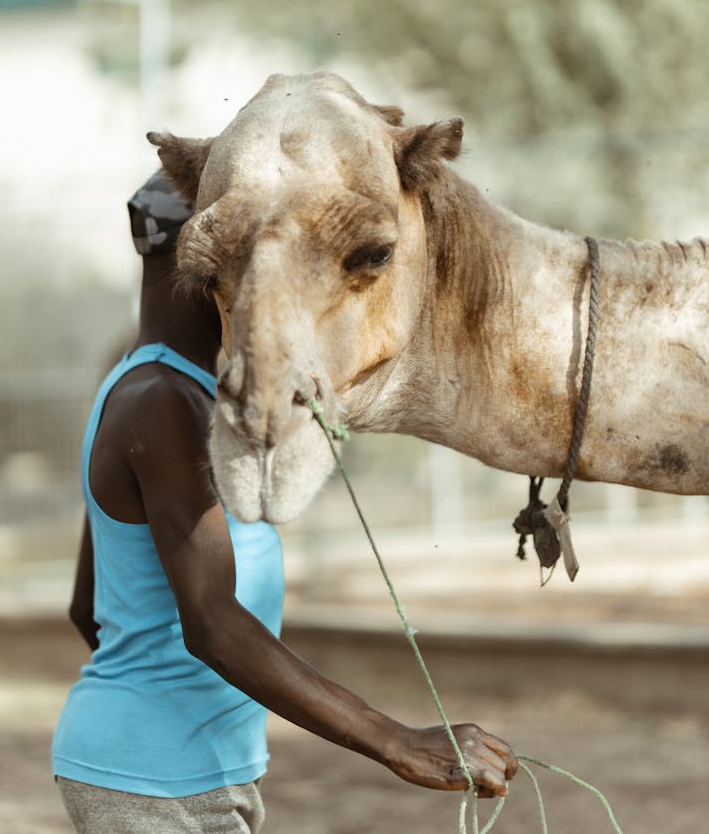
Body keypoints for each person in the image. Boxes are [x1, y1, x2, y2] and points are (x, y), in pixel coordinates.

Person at [52, 171, 517, 833]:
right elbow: (212, 621)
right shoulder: (161, 404)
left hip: (192, 774)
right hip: (149, 785)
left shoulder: (164, 387)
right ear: (218, 255)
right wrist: (396, 739)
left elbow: (88, 604)